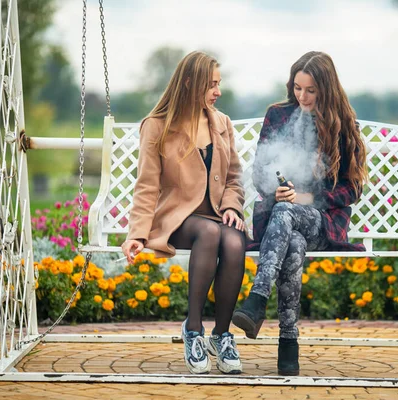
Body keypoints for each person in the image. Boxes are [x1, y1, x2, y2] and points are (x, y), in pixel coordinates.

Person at [232, 51, 367, 376]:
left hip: (322, 223)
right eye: (297, 88)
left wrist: (309, 196)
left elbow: (353, 190)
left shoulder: (344, 125)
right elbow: (260, 172)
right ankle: (287, 346)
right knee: (290, 238)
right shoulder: (277, 115)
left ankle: (257, 298)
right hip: (283, 225)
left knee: (289, 214)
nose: (302, 97)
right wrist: (274, 190)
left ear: (326, 89)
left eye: (310, 91)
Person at [121, 51, 246, 375]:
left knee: (233, 241)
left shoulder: (222, 123)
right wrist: (136, 234)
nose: (218, 92)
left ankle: (222, 334)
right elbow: (147, 185)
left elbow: (234, 178)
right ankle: (193, 329)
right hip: (178, 219)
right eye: (211, 84)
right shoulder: (157, 126)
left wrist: (232, 206)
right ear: (190, 83)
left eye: (219, 84)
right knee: (209, 232)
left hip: (218, 215)